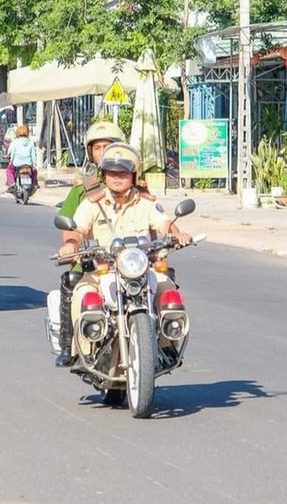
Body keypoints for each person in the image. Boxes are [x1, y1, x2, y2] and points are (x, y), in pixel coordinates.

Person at [56, 143, 192, 367]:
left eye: (124, 172)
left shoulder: (146, 202)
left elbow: (164, 223)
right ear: (104, 174)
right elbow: (77, 230)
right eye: (112, 172)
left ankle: (168, 345)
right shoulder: (93, 203)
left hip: (141, 270)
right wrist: (71, 245)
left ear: (133, 174)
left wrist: (177, 234)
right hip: (104, 271)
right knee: (82, 294)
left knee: (169, 291)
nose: (117, 177)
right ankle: (82, 350)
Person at [53, 121, 126, 366]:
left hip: (129, 259)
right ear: (90, 153)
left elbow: (157, 218)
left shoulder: (134, 183)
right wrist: (71, 247)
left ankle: (166, 338)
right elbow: (72, 226)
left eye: (109, 146)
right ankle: (69, 344)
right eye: (98, 148)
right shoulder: (83, 189)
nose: (104, 152)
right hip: (93, 261)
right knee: (72, 282)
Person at [5, 125, 38, 190]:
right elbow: (33, 155)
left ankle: (12, 183)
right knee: (34, 171)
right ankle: (34, 184)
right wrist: (34, 164)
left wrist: (11, 162)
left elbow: (13, 154)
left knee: (9, 170)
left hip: (17, 164)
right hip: (28, 164)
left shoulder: (15, 142)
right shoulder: (30, 142)